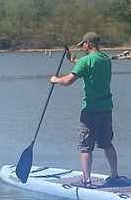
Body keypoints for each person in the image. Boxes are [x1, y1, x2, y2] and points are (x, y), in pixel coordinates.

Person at [49, 32, 124, 188]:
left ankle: (86, 180)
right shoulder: (106, 59)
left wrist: (55, 80)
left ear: (89, 44)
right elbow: (89, 66)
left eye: (83, 44)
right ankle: (115, 175)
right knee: (106, 143)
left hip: (90, 109)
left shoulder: (86, 61)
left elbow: (68, 81)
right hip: (106, 108)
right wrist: (75, 61)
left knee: (85, 146)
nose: (82, 47)